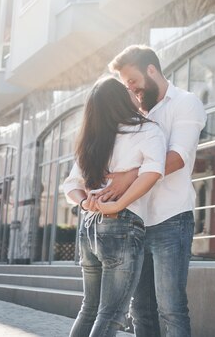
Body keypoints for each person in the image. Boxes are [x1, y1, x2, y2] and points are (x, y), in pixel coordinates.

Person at [98, 45, 206, 337]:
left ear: (151, 69)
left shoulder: (186, 102)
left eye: (132, 80)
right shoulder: (133, 112)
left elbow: (179, 157)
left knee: (171, 307)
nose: (129, 88)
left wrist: (128, 178)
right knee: (140, 310)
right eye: (125, 83)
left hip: (172, 218)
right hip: (135, 223)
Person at [63, 77, 166, 337]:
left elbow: (70, 186)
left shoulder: (92, 139)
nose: (132, 91)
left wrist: (85, 202)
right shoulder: (146, 129)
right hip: (122, 222)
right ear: (120, 100)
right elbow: (153, 171)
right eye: (126, 90)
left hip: (88, 226)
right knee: (111, 314)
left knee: (89, 308)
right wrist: (119, 203)